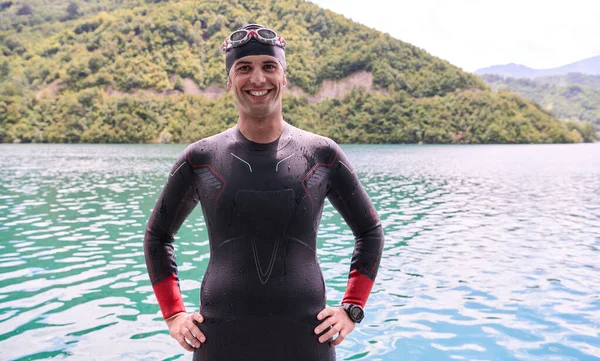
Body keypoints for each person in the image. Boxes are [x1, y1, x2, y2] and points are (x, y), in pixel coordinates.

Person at [143, 24, 384, 361]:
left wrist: (351, 310)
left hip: (306, 339)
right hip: (221, 340)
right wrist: (173, 314)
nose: (258, 79)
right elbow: (157, 236)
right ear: (229, 80)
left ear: (284, 77)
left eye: (269, 67)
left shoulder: (323, 155)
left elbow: (370, 231)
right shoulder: (201, 159)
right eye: (244, 68)